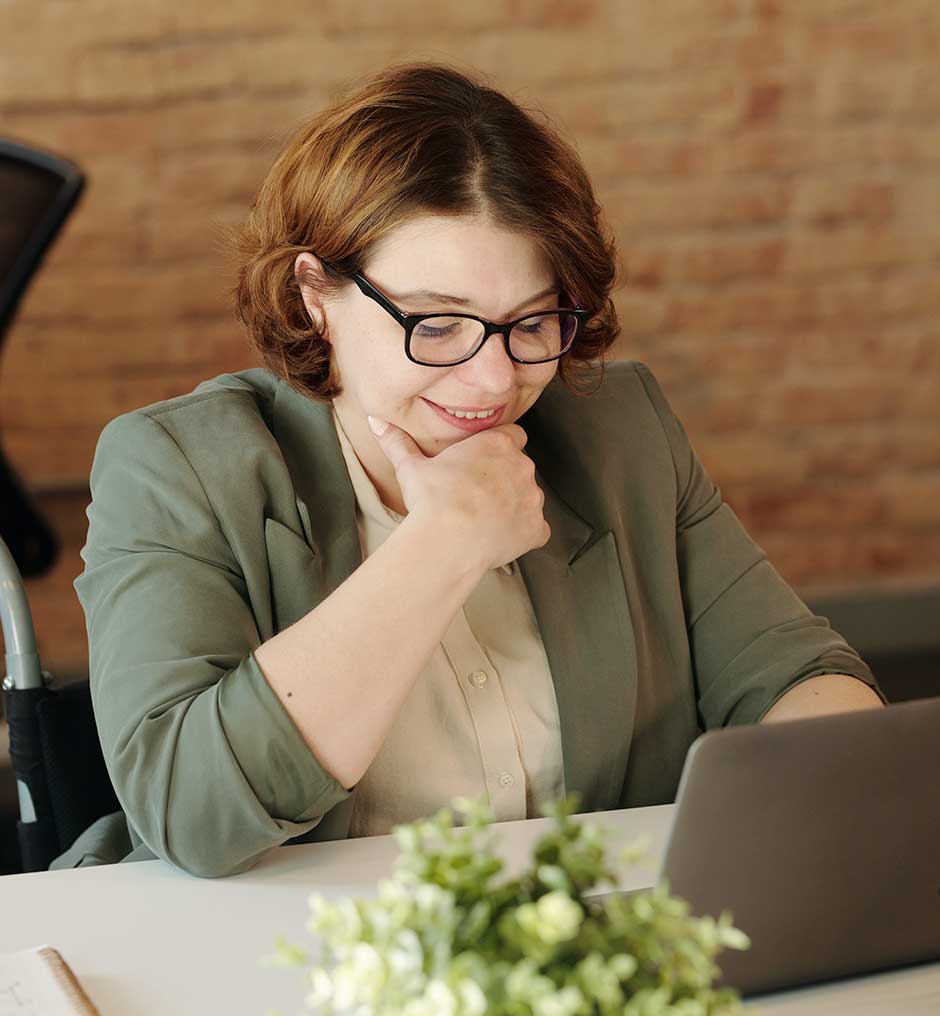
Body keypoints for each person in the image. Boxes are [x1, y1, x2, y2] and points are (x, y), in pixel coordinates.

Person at [58, 64, 882, 877]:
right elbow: (188, 809)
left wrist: (855, 786)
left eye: (532, 322)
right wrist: (443, 546)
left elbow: (797, 677)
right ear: (315, 294)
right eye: (438, 325)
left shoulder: (621, 431)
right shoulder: (175, 468)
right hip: (291, 968)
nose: (493, 381)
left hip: (584, 957)